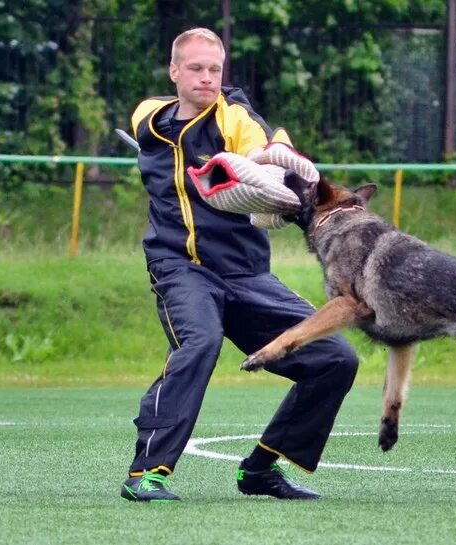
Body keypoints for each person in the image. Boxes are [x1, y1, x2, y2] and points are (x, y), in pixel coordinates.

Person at [120, 27, 358, 502]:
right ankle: (147, 473)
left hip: (248, 276)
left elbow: (270, 148)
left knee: (336, 359)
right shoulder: (151, 117)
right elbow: (153, 123)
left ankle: (260, 471)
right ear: (174, 71)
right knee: (200, 342)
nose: (207, 78)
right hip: (180, 268)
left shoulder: (237, 118)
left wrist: (270, 171)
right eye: (195, 68)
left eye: (215, 69)